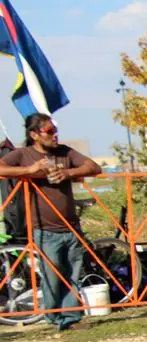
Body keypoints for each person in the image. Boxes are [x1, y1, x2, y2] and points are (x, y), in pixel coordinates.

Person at [0, 114, 101, 330]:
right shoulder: (23, 154)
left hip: (71, 224)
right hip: (45, 228)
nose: (55, 136)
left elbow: (93, 167)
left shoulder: (64, 152)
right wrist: (28, 171)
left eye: (55, 131)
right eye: (49, 132)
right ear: (34, 135)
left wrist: (68, 172)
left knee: (72, 273)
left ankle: (71, 318)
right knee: (52, 274)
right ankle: (55, 316)